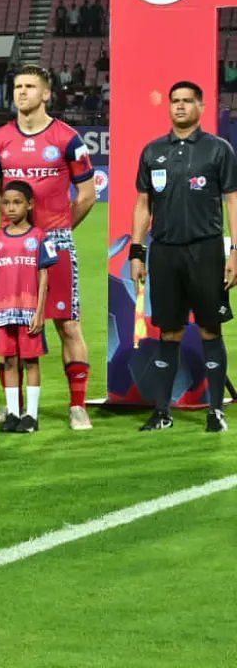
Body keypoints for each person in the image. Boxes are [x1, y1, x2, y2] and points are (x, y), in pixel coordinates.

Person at [0, 65, 97, 430]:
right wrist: (16, 228)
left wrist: (56, 229)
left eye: (30, 87)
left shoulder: (67, 138)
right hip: (14, 250)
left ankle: (77, 406)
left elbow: (87, 195)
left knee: (67, 325)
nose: (22, 92)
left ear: (46, 94)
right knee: (10, 328)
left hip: (55, 242)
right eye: (18, 86)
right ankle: (13, 408)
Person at [129, 81, 237, 433]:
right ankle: (162, 412)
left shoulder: (218, 150)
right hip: (166, 253)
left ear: (201, 107)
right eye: (175, 101)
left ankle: (215, 411)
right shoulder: (152, 151)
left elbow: (233, 201)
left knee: (210, 328)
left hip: (206, 250)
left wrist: (235, 250)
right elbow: (143, 205)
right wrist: (137, 251)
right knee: (169, 331)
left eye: (187, 101)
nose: (179, 106)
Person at [0, 181, 58, 434]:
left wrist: (39, 312)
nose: (11, 208)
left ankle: (32, 415)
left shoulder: (39, 237)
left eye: (17, 202)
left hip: (28, 311)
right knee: (9, 362)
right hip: (3, 311)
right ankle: (13, 413)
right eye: (6, 203)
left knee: (31, 361)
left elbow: (44, 276)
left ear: (29, 204)